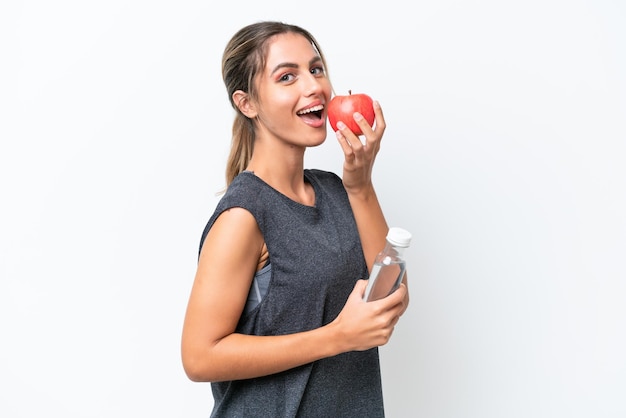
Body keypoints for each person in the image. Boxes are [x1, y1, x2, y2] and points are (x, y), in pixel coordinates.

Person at [181, 21, 409, 417]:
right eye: (287, 76)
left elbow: (384, 298)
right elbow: (200, 357)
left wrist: (360, 185)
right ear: (247, 102)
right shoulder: (244, 213)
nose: (314, 86)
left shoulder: (338, 191)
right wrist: (337, 337)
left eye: (316, 69)